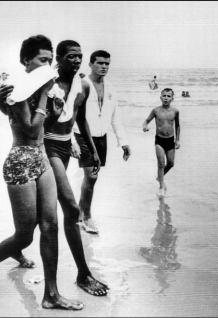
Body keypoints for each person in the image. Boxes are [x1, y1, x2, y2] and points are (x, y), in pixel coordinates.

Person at [0, 35, 83, 310]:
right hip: (20, 160)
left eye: (49, 60)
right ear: (26, 61)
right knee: (24, 235)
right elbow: (32, 130)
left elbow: (48, 124)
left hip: (41, 157)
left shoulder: (43, 86)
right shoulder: (16, 89)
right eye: (43, 60)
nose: (49, 66)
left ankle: (51, 294)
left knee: (51, 224)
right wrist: (46, 93)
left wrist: (55, 106)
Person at [0, 40, 109, 297]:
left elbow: (79, 119)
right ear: (59, 59)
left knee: (40, 219)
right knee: (70, 208)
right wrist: (1, 102)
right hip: (46, 149)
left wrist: (90, 148)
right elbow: (18, 114)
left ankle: (18, 247)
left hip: (65, 146)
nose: (77, 60)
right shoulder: (46, 82)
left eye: (80, 56)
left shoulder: (82, 85)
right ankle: (83, 274)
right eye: (71, 56)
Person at [72, 50, 131, 234]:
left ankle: (80, 213)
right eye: (100, 63)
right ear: (90, 64)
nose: (104, 66)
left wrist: (124, 142)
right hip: (81, 135)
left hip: (101, 137)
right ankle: (87, 217)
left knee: (91, 178)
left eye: (107, 63)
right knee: (92, 176)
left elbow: (116, 118)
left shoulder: (111, 88)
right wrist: (71, 140)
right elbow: (71, 114)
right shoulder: (81, 85)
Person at [142, 88, 180, 197]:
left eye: (168, 96)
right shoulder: (156, 110)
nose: (166, 98)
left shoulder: (175, 111)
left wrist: (177, 140)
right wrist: (145, 127)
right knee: (161, 163)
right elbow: (146, 121)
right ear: (160, 97)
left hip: (170, 140)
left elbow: (177, 126)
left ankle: (160, 177)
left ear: (172, 98)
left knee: (171, 163)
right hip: (159, 140)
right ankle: (161, 187)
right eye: (164, 96)